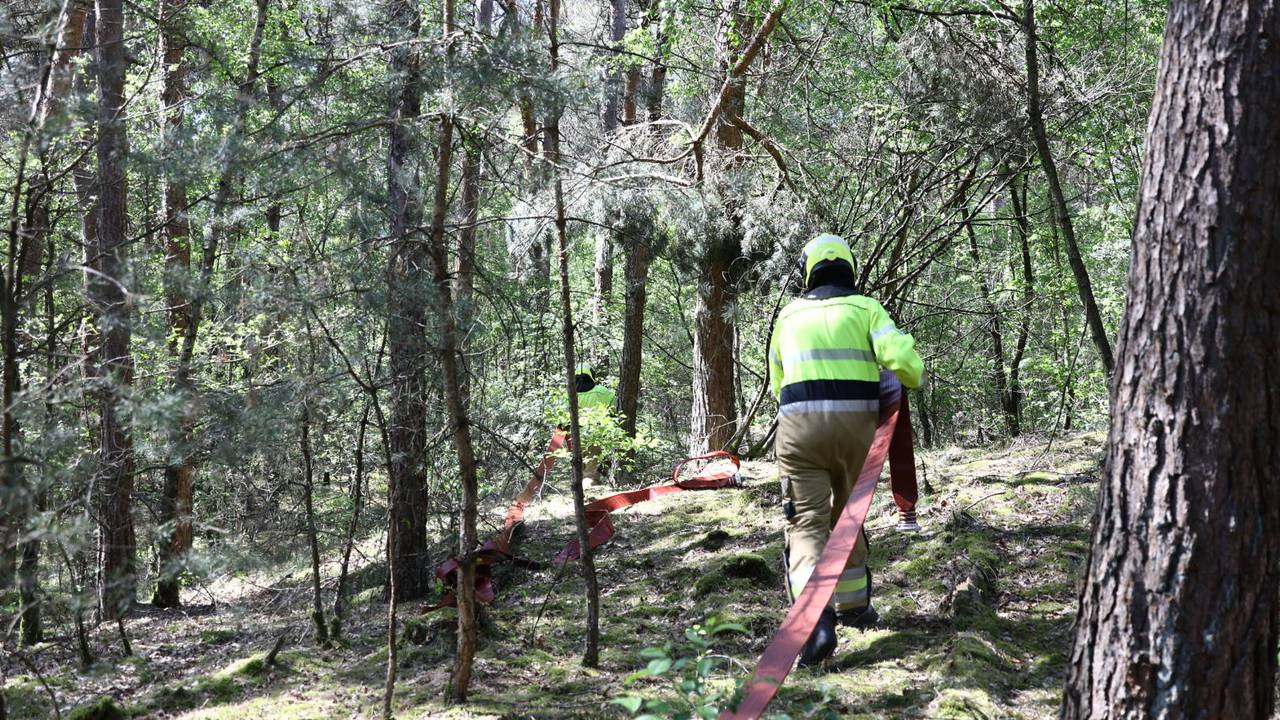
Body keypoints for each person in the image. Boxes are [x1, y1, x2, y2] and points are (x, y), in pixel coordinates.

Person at [767, 233, 924, 666]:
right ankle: (854, 608)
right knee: (847, 518)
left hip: (800, 433)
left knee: (806, 523)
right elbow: (908, 368)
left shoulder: (788, 316)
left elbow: (778, 381)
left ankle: (815, 622)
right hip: (857, 432)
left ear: (808, 271)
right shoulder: (867, 309)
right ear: (850, 269)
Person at [566, 363, 616, 486]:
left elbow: (562, 419)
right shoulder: (604, 392)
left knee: (580, 470)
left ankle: (583, 489)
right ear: (591, 375)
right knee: (591, 475)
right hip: (597, 437)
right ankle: (591, 491)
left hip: (574, 437)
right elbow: (616, 413)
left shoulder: (568, 394)